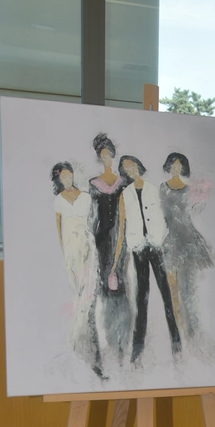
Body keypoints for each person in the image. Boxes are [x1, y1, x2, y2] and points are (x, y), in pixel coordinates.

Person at [111, 155, 182, 363]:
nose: (130, 170)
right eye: (126, 168)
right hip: (138, 248)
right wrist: (119, 256)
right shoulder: (125, 194)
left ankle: (176, 341)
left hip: (156, 245)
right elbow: (122, 225)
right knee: (141, 297)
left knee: (166, 293)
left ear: (138, 166)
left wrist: (161, 239)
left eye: (132, 166)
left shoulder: (153, 189)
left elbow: (164, 217)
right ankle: (138, 347)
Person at [51, 161, 103, 377]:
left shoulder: (86, 197)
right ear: (58, 179)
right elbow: (59, 230)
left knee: (88, 294)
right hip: (71, 251)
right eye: (62, 176)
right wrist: (66, 254)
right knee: (77, 295)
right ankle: (77, 344)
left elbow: (92, 222)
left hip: (87, 246)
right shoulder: (58, 200)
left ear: (73, 175)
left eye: (69, 175)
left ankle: (86, 343)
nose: (67, 179)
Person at [159, 151, 214, 345]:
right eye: (173, 164)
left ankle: (191, 330)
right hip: (170, 240)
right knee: (172, 289)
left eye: (179, 165)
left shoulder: (189, 190)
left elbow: (195, 211)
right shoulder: (162, 188)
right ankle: (177, 330)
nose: (176, 168)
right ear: (169, 166)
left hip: (188, 241)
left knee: (188, 288)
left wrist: (203, 195)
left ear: (183, 167)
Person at [88, 133, 132, 360]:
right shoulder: (93, 184)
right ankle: (109, 336)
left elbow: (127, 214)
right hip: (101, 238)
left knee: (119, 281)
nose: (106, 158)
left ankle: (122, 337)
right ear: (99, 157)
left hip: (120, 236)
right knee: (104, 283)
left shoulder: (122, 182)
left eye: (109, 155)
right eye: (102, 155)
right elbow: (93, 215)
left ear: (113, 156)